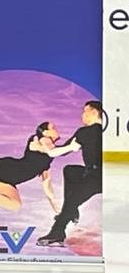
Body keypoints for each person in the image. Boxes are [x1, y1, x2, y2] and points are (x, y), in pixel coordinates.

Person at [37, 100, 104, 246]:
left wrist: (46, 147)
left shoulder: (85, 132)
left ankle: (57, 232)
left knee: (71, 200)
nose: (82, 115)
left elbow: (59, 152)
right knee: (71, 170)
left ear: (94, 112)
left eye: (85, 111)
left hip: (97, 177)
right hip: (103, 174)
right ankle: (72, 210)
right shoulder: (106, 131)